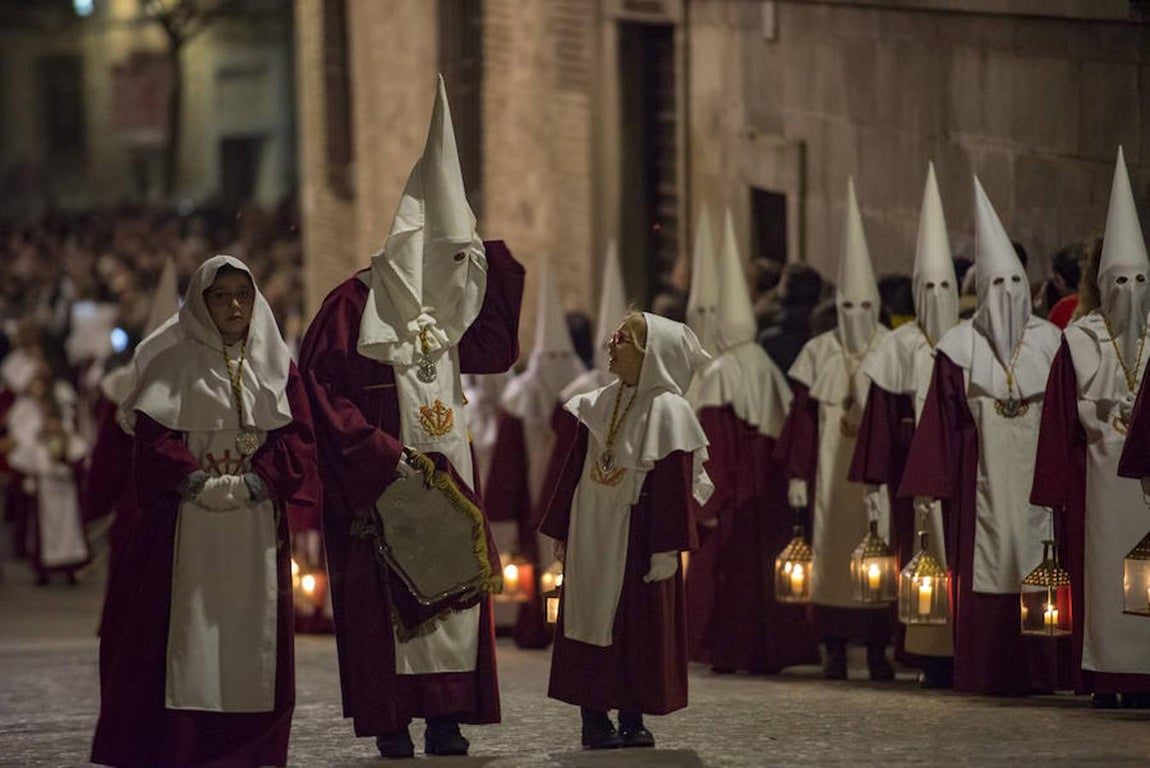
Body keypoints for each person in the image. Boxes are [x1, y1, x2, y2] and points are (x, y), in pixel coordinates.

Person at [298, 75, 524, 759]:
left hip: (448, 477)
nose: (455, 273)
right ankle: (394, 719)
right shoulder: (349, 308)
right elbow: (318, 394)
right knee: (384, 612)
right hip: (381, 482)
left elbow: (496, 346)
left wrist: (486, 258)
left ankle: (446, 717)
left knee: (454, 606)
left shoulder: (454, 305)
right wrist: (377, 456)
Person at [90, 255, 319, 767]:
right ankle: (185, 744)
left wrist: (261, 481)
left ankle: (247, 749)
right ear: (201, 301)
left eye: (242, 294)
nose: (234, 305)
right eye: (221, 296)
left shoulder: (277, 364)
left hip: (256, 525)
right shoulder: (171, 361)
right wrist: (193, 480)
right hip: (184, 524)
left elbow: (298, 438)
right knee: (187, 637)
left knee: (248, 639)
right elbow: (153, 439)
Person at [899, 178, 1067, 697]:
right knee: (989, 563)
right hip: (983, 482)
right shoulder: (958, 347)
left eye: (1015, 283)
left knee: (1040, 561)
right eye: (996, 284)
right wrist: (933, 488)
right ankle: (988, 669)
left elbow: (1062, 419)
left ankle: (1043, 671)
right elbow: (941, 427)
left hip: (1037, 483)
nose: (1007, 295)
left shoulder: (1051, 342)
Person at [539, 311, 711, 749]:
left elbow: (673, 483)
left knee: (635, 624)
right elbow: (575, 467)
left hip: (637, 532)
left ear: (652, 355)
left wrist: (667, 547)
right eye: (614, 336)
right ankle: (593, 717)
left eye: (624, 340)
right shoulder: (598, 401)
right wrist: (562, 527)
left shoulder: (669, 410)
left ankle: (632, 716)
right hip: (591, 526)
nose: (611, 345)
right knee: (585, 615)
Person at [1035, 148, 1150, 707]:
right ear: (1103, 284)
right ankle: (1107, 672)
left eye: (1140, 279)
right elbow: (1060, 421)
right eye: (1119, 280)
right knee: (1105, 576)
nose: (1130, 290)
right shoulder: (1079, 341)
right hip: (1099, 480)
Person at [686, 209, 818, 674]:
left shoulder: (721, 372)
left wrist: (705, 503)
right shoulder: (763, 363)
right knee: (765, 571)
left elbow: (717, 446)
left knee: (737, 576)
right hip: (768, 491)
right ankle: (770, 650)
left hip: (737, 497)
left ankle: (736, 649)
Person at [774, 179, 895, 680]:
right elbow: (802, 421)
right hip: (830, 479)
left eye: (865, 307)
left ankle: (880, 651)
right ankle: (835, 647)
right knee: (831, 558)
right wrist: (799, 477)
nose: (857, 317)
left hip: (874, 478)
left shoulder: (892, 347)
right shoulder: (818, 353)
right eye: (848, 307)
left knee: (879, 557)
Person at [849, 164, 957, 687]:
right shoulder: (898, 347)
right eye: (928, 285)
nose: (937, 294)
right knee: (918, 558)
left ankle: (962, 649)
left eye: (946, 285)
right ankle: (925, 654)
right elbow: (879, 423)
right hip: (911, 473)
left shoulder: (968, 343)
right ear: (915, 289)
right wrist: (879, 484)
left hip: (961, 472)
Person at [486, 263, 586, 648]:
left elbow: (506, 465)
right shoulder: (584, 386)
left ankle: (544, 623)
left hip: (544, 494)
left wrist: (503, 508)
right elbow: (510, 461)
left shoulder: (522, 395)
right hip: (544, 494)